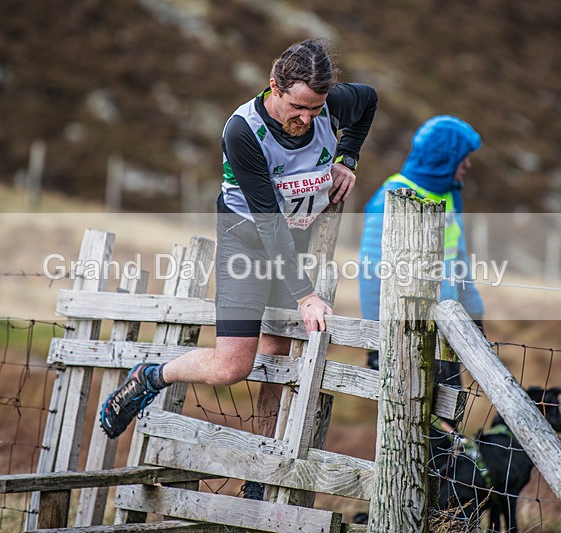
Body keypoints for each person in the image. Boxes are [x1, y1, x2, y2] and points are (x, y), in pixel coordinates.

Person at [99, 39, 377, 465]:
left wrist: (348, 158)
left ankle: (262, 470)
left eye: (315, 109)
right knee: (232, 367)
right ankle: (151, 377)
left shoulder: (331, 105)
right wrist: (305, 294)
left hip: (297, 243)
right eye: (297, 107)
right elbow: (267, 221)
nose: (306, 118)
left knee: (277, 357)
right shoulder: (243, 130)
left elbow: (370, 100)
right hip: (246, 242)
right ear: (274, 87)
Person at [358, 115, 484, 379]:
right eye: (464, 157)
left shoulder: (450, 194)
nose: (469, 165)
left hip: (450, 331)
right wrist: (375, 343)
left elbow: (459, 260)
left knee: (449, 414)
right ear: (446, 157)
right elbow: (370, 273)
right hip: (406, 334)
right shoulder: (390, 196)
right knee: (413, 416)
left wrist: (475, 316)